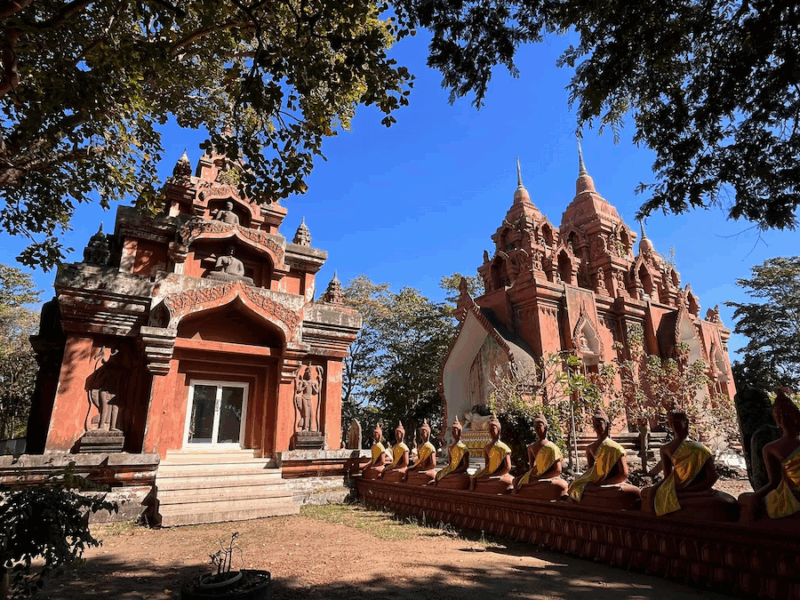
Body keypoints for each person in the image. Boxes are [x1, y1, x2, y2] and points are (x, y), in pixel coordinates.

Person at [640, 408, 736, 521]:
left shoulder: (701, 449)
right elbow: (667, 477)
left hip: (695, 488)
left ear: (686, 422)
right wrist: (653, 489)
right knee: (646, 493)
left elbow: (712, 477)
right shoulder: (666, 448)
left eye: (678, 420)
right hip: (678, 487)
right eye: (672, 421)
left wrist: (688, 490)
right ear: (668, 424)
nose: (675, 424)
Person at [739, 388, 800, 524]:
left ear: (797, 416)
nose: (783, 418)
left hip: (795, 494)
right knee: (746, 498)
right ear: (774, 419)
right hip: (788, 492)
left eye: (788, 414)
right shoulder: (770, 447)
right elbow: (774, 481)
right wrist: (756, 496)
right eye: (778, 414)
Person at [567, 408, 641, 510]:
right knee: (576, 486)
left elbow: (623, 474)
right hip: (596, 485)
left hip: (610, 484)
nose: (597, 426)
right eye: (594, 423)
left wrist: (604, 483)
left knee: (633, 492)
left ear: (607, 425)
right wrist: (591, 483)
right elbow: (591, 471)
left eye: (599, 423)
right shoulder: (590, 448)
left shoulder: (615, 448)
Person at [513, 413, 568, 501]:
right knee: (516, 481)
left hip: (549, 478)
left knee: (560, 485)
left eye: (539, 426)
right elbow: (532, 469)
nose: (537, 429)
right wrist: (535, 477)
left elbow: (558, 470)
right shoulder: (531, 447)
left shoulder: (552, 447)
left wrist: (542, 477)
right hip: (536, 479)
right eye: (535, 426)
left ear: (545, 428)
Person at [469, 415, 513, 494]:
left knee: (505, 482)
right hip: (490, 475)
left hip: (499, 475)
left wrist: (496, 475)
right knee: (474, 478)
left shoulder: (504, 447)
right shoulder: (487, 447)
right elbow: (487, 466)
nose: (491, 432)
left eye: (493, 429)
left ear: (498, 430)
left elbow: (507, 467)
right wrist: (486, 474)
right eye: (489, 430)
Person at [435, 416, 470, 489]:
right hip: (452, 471)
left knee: (460, 479)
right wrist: (448, 471)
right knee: (438, 475)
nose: (454, 432)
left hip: (459, 472)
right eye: (453, 430)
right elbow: (450, 464)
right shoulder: (450, 447)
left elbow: (465, 465)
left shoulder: (464, 448)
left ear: (460, 432)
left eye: (456, 430)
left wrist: (455, 471)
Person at [404, 419, 437, 485]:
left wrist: (424, 469)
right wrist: (417, 467)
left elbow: (433, 464)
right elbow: (419, 460)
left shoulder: (431, 447)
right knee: (409, 472)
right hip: (420, 468)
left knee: (427, 475)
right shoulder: (420, 447)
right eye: (421, 433)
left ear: (428, 433)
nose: (422, 435)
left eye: (423, 433)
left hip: (426, 470)